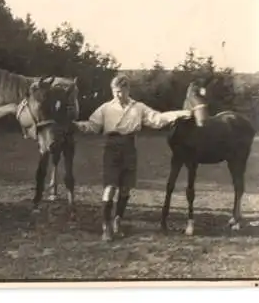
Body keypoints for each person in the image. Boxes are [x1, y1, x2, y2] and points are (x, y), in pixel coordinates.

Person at [73, 72, 192, 241]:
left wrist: (180, 114)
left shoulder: (138, 107)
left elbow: (157, 119)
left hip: (129, 147)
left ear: (127, 90)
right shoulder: (106, 108)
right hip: (112, 148)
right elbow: (93, 125)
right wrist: (76, 125)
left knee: (125, 188)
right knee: (110, 187)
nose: (117, 95)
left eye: (120, 91)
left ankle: (117, 221)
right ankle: (106, 227)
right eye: (114, 91)